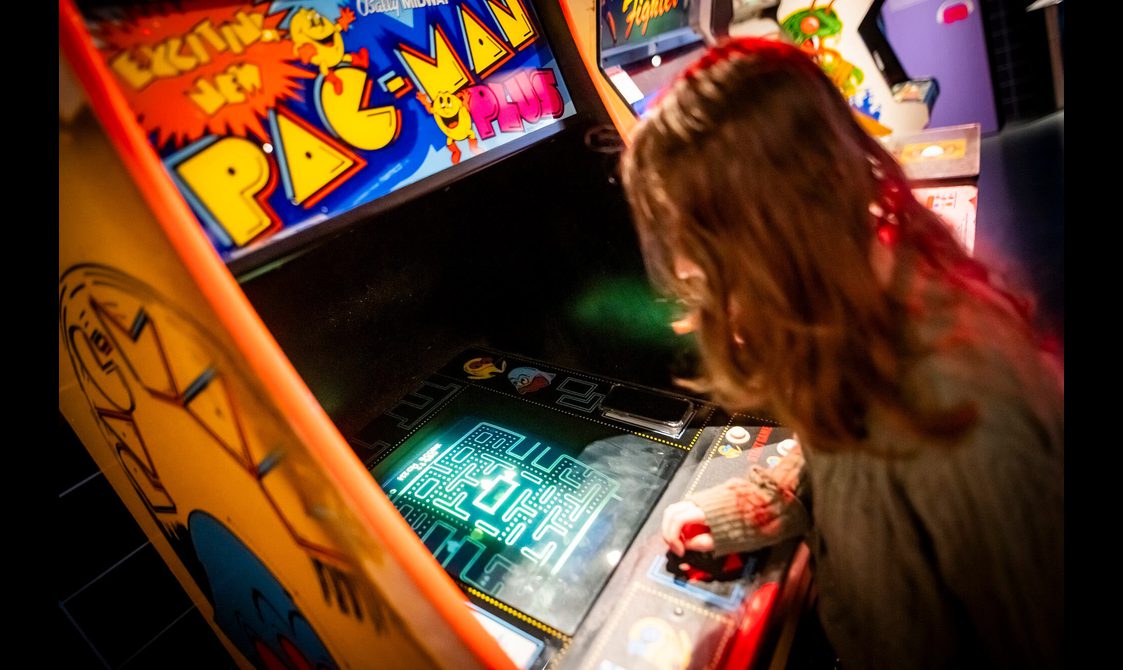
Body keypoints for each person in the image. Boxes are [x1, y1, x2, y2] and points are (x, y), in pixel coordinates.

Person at [619, 38, 1063, 669]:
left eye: (710, 261)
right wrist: (756, 504)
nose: (699, 285)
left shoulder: (964, 417)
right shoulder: (852, 318)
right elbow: (834, 453)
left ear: (782, 232)